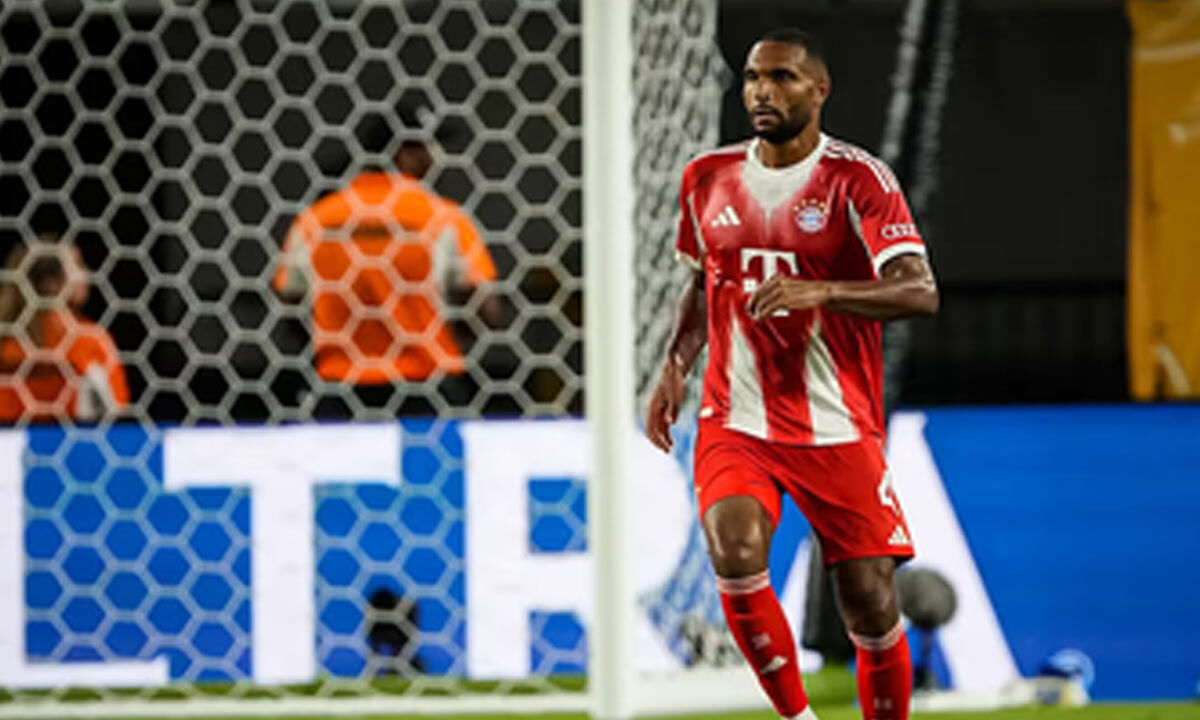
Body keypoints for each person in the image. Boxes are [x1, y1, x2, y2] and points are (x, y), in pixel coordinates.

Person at [645, 29, 939, 720]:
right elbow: (702, 285)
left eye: (781, 78)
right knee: (735, 547)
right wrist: (675, 366)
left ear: (819, 90)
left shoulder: (858, 180)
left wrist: (824, 291)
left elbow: (920, 291)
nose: (762, 91)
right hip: (736, 416)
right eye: (753, 77)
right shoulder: (707, 178)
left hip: (836, 422)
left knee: (869, 599)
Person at [273, 125, 499, 416]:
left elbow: (290, 303)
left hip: (340, 384)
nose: (438, 158)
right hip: (427, 384)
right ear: (404, 154)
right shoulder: (443, 217)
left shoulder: (315, 219)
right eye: (429, 148)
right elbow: (485, 308)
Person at [0, 238, 129, 423]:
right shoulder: (89, 339)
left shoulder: (8, 336)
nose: (87, 273)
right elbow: (118, 406)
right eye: (79, 265)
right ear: (49, 282)